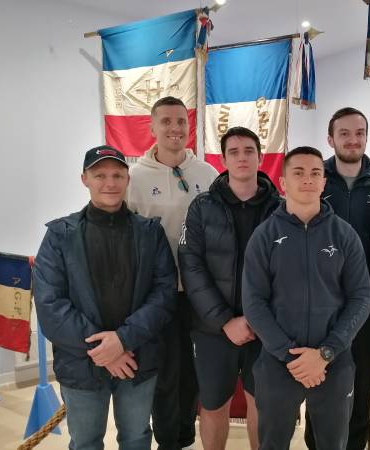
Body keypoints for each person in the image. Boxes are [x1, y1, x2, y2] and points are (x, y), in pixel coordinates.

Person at [33, 145, 177, 450]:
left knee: (137, 437)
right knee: (85, 442)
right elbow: (50, 304)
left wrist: (123, 341)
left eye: (117, 175)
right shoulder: (60, 235)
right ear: (84, 179)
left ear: (127, 179)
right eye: (100, 175)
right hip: (80, 363)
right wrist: (106, 349)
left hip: (138, 358)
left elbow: (163, 294)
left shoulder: (150, 233)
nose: (109, 183)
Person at [242, 146, 370, 450]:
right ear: (283, 182)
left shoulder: (344, 235)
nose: (308, 180)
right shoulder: (264, 236)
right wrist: (291, 357)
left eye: (315, 173)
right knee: (272, 443)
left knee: (332, 443)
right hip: (278, 362)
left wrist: (325, 353)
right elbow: (254, 302)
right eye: (298, 173)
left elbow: (361, 298)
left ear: (324, 182)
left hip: (334, 362)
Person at [178, 126, 281, 450]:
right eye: (234, 152)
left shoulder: (280, 208)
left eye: (249, 151)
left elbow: (288, 273)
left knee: (262, 405)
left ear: (260, 157)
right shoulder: (201, 207)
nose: (242, 158)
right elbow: (191, 268)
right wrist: (224, 320)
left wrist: (257, 320)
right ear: (223, 159)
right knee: (212, 405)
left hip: (265, 330)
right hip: (213, 330)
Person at [127, 96, 218, 450]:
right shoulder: (135, 177)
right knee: (164, 373)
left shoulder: (207, 174)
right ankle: (167, 441)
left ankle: (185, 435)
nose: (174, 128)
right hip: (157, 295)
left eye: (180, 121)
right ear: (152, 128)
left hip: (199, 294)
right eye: (165, 122)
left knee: (193, 372)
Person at [304, 107, 370, 450]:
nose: (352, 139)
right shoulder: (314, 181)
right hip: (320, 309)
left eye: (359, 133)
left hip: (366, 312)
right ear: (331, 139)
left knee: (359, 390)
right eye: (344, 133)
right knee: (319, 387)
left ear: (366, 138)